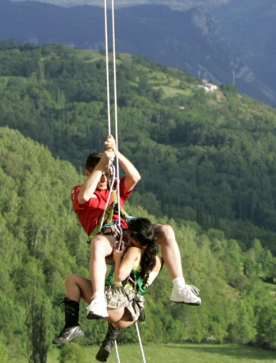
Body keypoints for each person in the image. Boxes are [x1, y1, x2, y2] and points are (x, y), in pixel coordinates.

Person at [71, 135, 201, 318]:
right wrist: (101, 166)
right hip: (107, 235)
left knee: (166, 231)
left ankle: (179, 286)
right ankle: (99, 299)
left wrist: (116, 153)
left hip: (127, 230)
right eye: (101, 176)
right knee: (98, 244)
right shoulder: (79, 190)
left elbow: (135, 177)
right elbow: (84, 197)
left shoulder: (114, 187)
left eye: (108, 175)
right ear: (88, 173)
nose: (105, 180)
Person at [53, 218, 162, 362]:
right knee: (109, 294)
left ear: (135, 237)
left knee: (72, 280)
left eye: (128, 234)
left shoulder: (134, 251)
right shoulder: (157, 261)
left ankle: (71, 325)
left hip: (117, 307)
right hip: (131, 315)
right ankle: (109, 339)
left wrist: (117, 258)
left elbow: (121, 275)